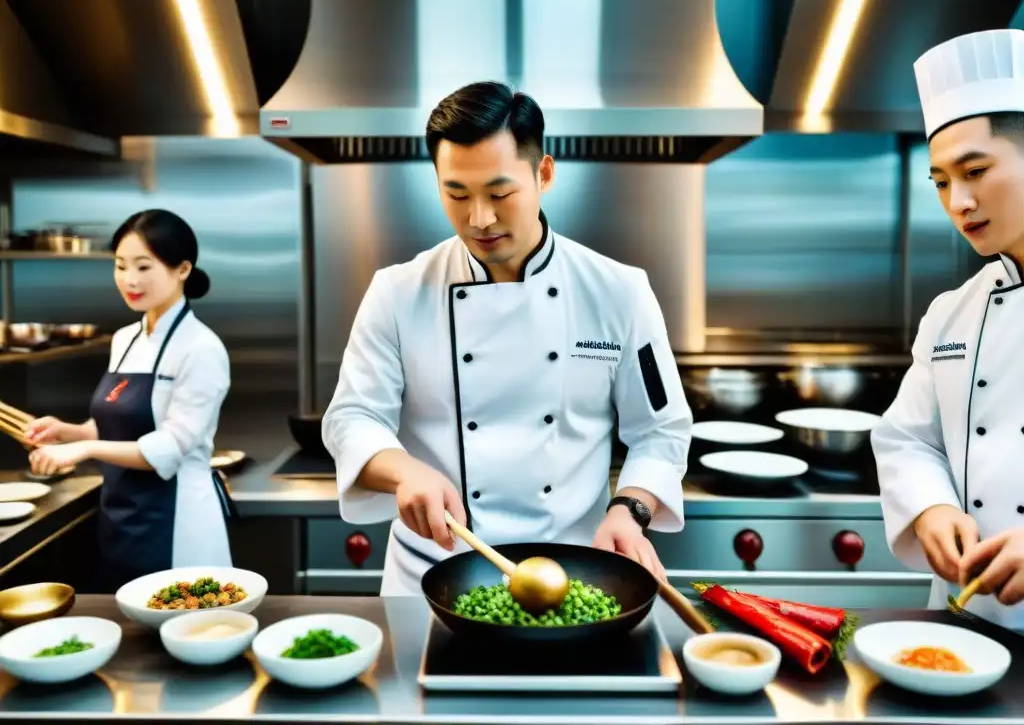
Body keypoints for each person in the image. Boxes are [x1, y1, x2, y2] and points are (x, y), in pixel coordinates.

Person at [322, 81, 693, 596]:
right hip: (433, 572)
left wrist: (630, 510)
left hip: (573, 572)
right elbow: (351, 417)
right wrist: (404, 471)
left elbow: (661, 430)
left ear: (544, 173)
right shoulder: (397, 292)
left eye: (500, 194)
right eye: (456, 194)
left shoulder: (618, 292)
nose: (479, 218)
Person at [872, 28, 1024, 628]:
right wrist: (931, 508)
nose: (958, 202)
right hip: (967, 625)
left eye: (975, 170)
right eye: (939, 181)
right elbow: (909, 439)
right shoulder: (951, 313)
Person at [25, 209, 235, 593]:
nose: (129, 280)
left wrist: (84, 449)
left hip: (177, 526)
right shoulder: (125, 339)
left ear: (182, 269)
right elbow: (112, 426)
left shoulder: (202, 348)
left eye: (143, 266)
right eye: (120, 266)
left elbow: (168, 449)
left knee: (179, 634)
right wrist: (67, 432)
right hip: (122, 520)